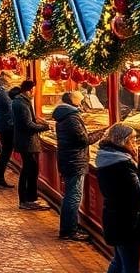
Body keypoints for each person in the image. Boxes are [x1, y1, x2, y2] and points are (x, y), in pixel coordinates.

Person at [95, 123, 140, 273]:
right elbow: (139, 191)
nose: (135, 144)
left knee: (119, 261)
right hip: (127, 222)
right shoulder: (122, 165)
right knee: (129, 266)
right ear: (123, 141)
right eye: (133, 140)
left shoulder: (108, 158)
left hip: (115, 219)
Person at [53, 90, 106, 241]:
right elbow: (83, 140)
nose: (82, 102)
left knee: (70, 195)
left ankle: (69, 226)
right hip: (75, 160)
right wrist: (101, 133)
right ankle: (69, 230)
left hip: (69, 159)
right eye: (80, 99)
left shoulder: (64, 115)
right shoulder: (72, 118)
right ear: (74, 101)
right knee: (73, 196)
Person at [12, 80, 50, 210]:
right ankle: (25, 200)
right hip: (26, 142)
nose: (35, 92)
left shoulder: (22, 101)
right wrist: (45, 127)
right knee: (28, 170)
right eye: (34, 89)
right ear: (30, 89)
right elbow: (28, 125)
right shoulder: (21, 103)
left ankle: (31, 198)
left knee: (31, 170)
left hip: (27, 141)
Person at [0, 70, 15, 189]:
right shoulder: (3, 94)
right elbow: (10, 108)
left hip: (3, 124)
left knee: (5, 152)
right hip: (7, 126)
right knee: (6, 152)